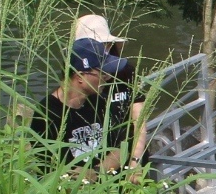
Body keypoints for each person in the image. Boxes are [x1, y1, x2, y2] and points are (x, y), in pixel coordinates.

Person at [31, 38, 137, 174]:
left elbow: (122, 148)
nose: (109, 78)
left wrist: (97, 172)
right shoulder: (47, 113)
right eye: (102, 73)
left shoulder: (100, 101)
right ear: (80, 77)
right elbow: (50, 170)